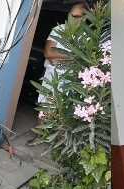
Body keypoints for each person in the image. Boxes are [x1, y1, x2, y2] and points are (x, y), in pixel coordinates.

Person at [28, 1, 87, 146]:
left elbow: (85, 59)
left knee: (64, 111)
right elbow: (48, 52)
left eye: (77, 16)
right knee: (44, 107)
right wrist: (74, 55)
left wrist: (59, 56)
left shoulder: (87, 37)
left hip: (70, 80)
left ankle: (59, 141)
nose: (73, 20)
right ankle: (39, 137)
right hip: (52, 77)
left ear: (85, 17)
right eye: (71, 16)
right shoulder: (59, 29)